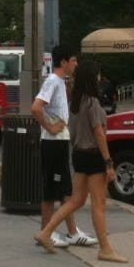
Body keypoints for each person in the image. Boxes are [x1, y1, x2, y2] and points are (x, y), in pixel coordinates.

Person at [34, 60, 127, 262]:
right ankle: (105, 249)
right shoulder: (92, 103)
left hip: (79, 154)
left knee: (75, 200)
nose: (100, 78)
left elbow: (74, 130)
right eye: (98, 75)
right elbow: (99, 133)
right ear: (93, 79)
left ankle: (46, 231)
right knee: (98, 204)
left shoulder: (74, 103)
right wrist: (109, 162)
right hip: (94, 156)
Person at [31, 45, 97, 248]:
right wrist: (50, 127)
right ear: (64, 62)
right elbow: (36, 107)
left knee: (66, 190)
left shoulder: (60, 82)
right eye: (74, 61)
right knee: (51, 190)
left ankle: (71, 232)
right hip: (52, 143)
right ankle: (46, 233)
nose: (76, 64)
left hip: (59, 142)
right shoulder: (52, 81)